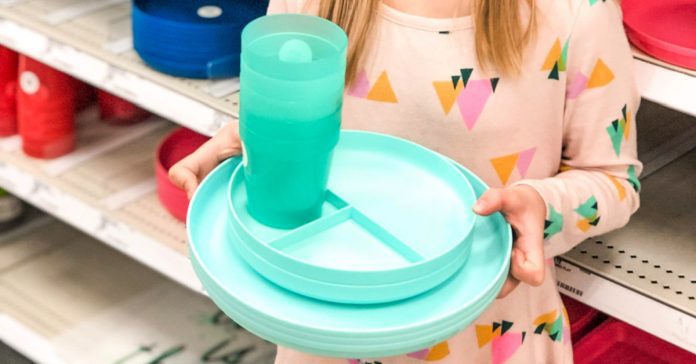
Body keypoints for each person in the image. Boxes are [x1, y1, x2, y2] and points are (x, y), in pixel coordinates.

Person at [170, 0, 641, 362]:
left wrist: (542, 206)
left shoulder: (577, 12)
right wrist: (256, 141)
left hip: (493, 339)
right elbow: (298, 121)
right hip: (327, 330)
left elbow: (614, 179)